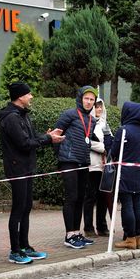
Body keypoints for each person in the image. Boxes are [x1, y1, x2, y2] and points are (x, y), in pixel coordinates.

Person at [0, 82, 64, 264]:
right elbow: (24, 143)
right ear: (20, 97)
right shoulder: (11, 118)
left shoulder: (22, 115)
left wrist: (48, 136)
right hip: (17, 168)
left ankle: (25, 246)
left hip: (27, 167)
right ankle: (15, 250)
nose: (31, 96)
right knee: (18, 208)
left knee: (26, 207)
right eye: (28, 94)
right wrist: (48, 139)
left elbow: (32, 138)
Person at [55, 86, 97, 249]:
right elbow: (56, 136)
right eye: (86, 98)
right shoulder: (69, 114)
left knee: (80, 197)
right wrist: (61, 157)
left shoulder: (92, 120)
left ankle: (76, 233)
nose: (89, 102)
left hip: (83, 162)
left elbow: (89, 139)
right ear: (80, 99)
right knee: (71, 197)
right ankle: (69, 235)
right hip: (69, 161)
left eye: (92, 99)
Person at [111, 101, 140, 250]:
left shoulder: (124, 130)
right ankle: (139, 237)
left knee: (127, 204)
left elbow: (114, 151)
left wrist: (109, 140)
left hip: (125, 173)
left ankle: (130, 238)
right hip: (139, 173)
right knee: (137, 204)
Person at [83, 98, 112, 238]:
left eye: (101, 106)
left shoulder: (105, 124)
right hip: (92, 166)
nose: (99, 109)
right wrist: (103, 148)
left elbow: (111, 140)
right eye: (96, 106)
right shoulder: (87, 123)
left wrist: (109, 149)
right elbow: (87, 141)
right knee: (90, 197)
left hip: (104, 166)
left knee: (103, 197)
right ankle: (88, 227)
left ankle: (102, 226)